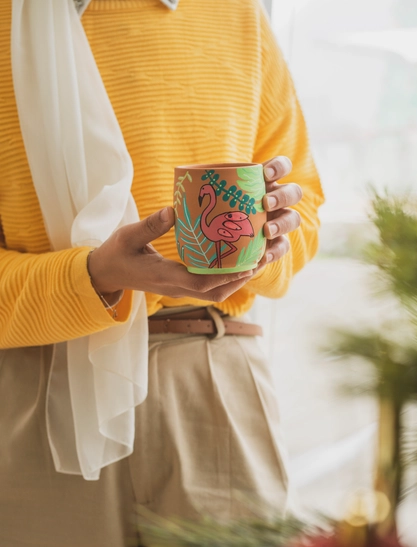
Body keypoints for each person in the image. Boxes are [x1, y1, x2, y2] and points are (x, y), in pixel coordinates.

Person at [0, 0, 324, 545]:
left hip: (212, 377)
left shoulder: (236, 14)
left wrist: (269, 240)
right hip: (39, 392)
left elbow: (306, 209)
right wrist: (93, 277)